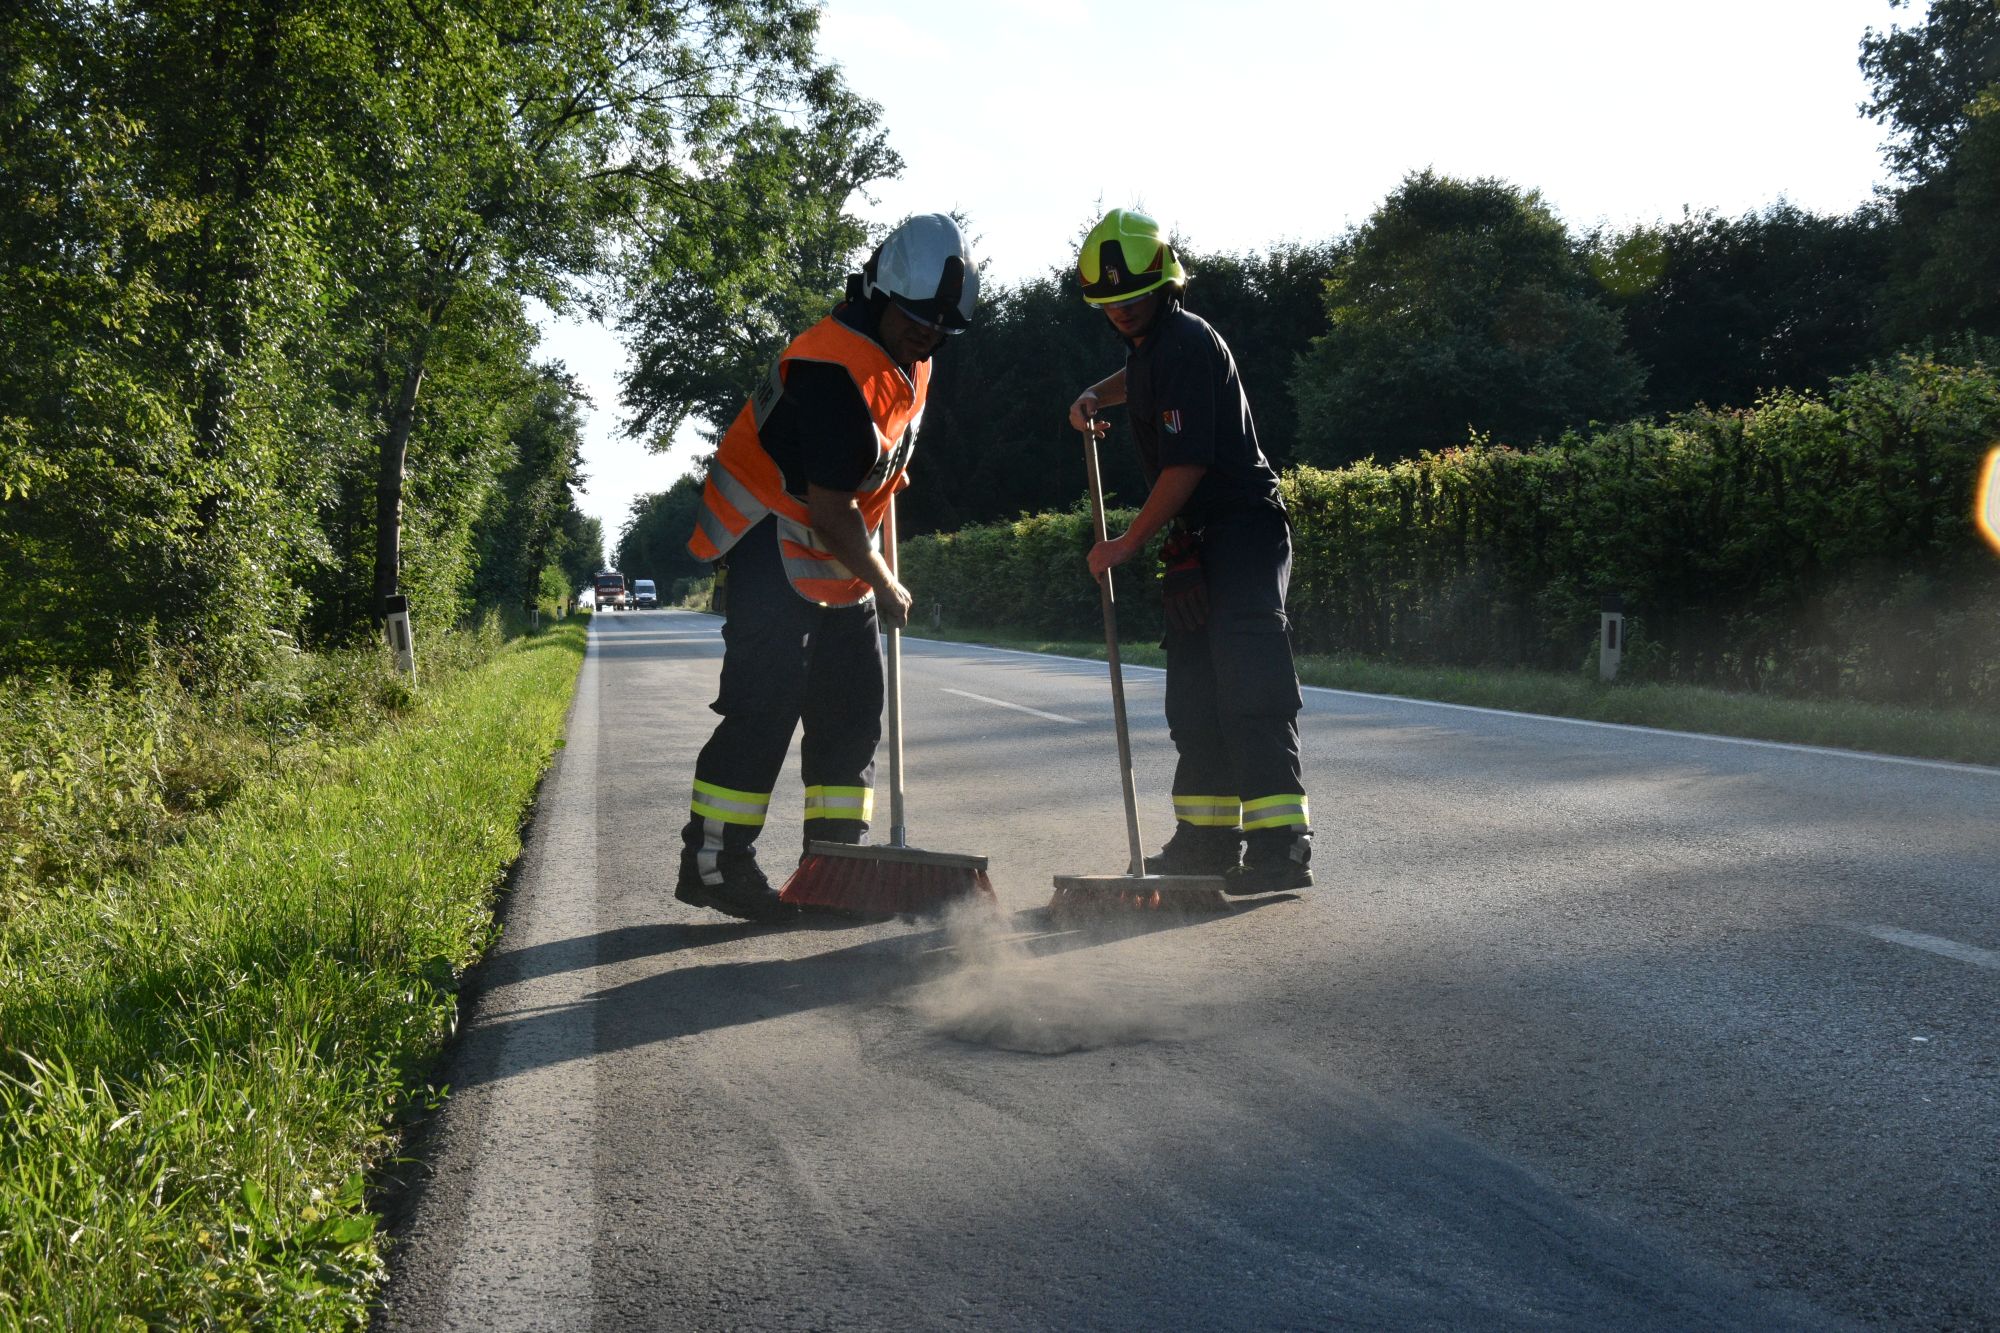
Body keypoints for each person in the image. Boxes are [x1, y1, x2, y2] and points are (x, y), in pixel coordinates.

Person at [677, 214, 978, 921]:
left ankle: (838, 863)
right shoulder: (828, 367)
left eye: (940, 328)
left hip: (838, 549)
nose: (928, 336)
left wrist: (872, 550)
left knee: (850, 709)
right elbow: (830, 507)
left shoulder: (912, 360)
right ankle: (714, 863)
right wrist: (885, 580)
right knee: (765, 705)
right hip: (770, 538)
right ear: (880, 294)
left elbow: (874, 468)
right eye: (916, 320)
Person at [1065, 207, 1312, 894]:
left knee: (1249, 685)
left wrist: (1125, 544)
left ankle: (1280, 845)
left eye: (1131, 297)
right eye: (1107, 302)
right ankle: (1206, 840)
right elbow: (1138, 379)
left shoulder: (1186, 340)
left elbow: (1186, 467)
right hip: (1197, 544)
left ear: (1164, 283)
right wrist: (1095, 395)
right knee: (1196, 696)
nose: (1119, 311)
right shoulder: (1150, 350)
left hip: (1242, 531)